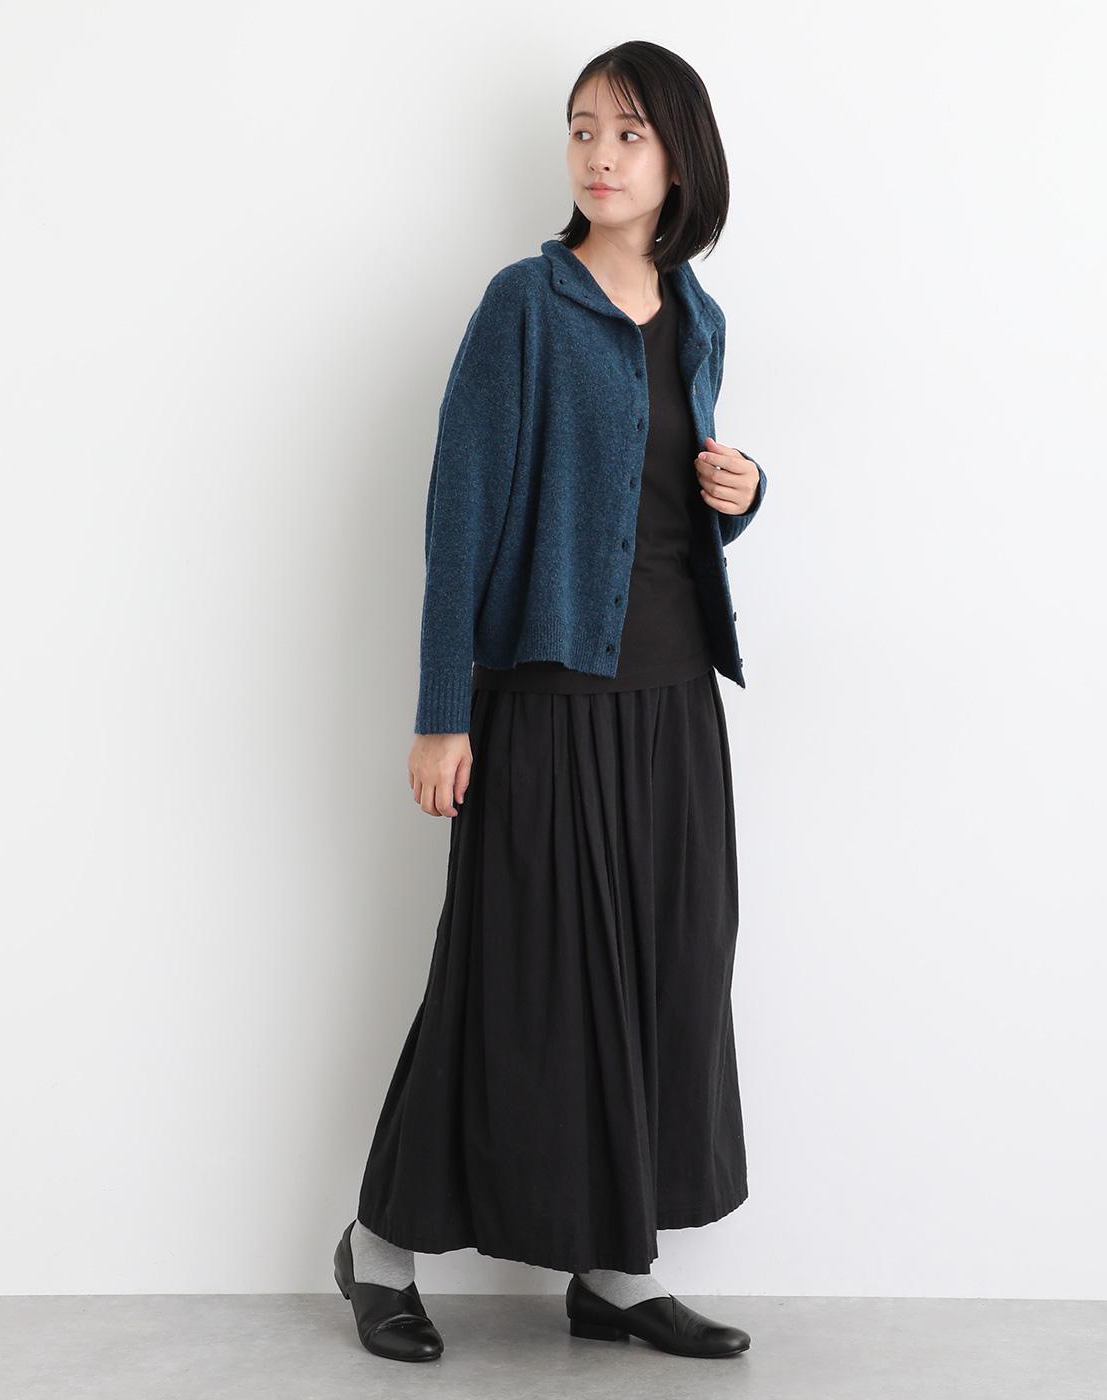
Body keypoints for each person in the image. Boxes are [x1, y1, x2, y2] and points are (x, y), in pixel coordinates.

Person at [334, 39, 769, 1363]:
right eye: (582, 129)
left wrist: (744, 494)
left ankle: (615, 1272)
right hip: (545, 698)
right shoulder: (524, 306)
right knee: (506, 980)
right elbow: (458, 516)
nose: (598, 154)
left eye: (628, 132)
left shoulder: (698, 314)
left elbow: (657, 507)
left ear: (680, 155)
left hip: (674, 699)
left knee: (667, 976)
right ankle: (379, 1248)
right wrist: (442, 710)